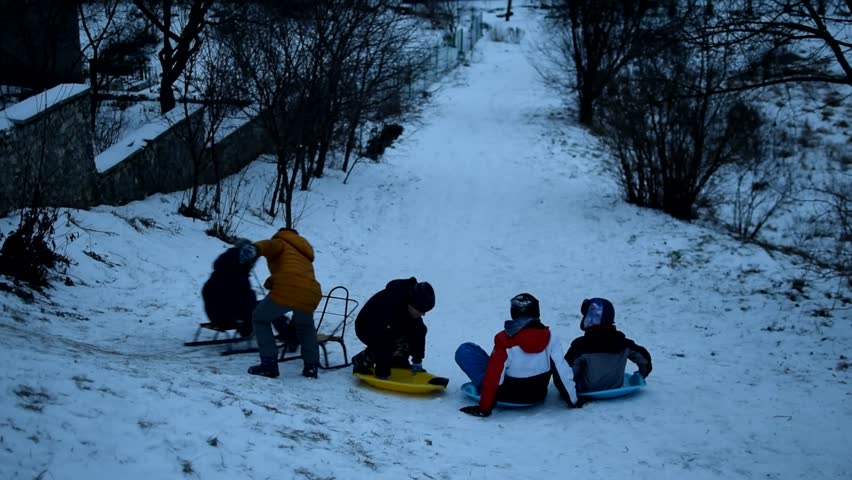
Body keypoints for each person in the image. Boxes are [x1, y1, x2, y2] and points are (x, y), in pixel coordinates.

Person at [455, 293, 579, 417]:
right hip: (537, 395)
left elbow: (494, 377)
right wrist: (573, 401)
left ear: (513, 312)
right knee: (496, 363)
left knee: (466, 350)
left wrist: (484, 408)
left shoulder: (504, 340)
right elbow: (563, 372)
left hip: (506, 395)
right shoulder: (551, 338)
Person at [240, 228, 323, 379]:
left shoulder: (281, 242)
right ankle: (311, 367)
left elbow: (269, 246)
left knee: (260, 317)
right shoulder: (303, 253)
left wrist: (255, 249)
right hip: (311, 292)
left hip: (288, 287)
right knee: (305, 327)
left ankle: (269, 364)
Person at [351, 277, 435, 379]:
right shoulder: (391, 304)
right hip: (366, 327)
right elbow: (384, 339)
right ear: (412, 303)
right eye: (420, 310)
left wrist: (417, 360)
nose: (423, 314)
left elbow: (419, 332)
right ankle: (362, 360)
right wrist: (383, 372)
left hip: (388, 329)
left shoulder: (410, 305)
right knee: (390, 339)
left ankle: (398, 362)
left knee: (414, 330)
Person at [565, 298, 652, 395]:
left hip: (586, 389)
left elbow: (566, 372)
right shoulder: (623, 343)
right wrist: (640, 375)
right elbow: (644, 360)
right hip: (616, 386)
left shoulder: (580, 346)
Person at [201, 239, 258, 337]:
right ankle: (249, 332)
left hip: (214, 316)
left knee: (248, 301)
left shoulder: (217, 275)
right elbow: (241, 300)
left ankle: (248, 330)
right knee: (256, 307)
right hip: (226, 317)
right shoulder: (237, 277)